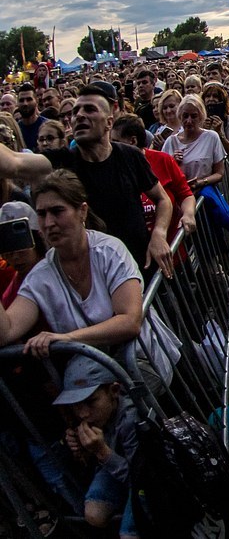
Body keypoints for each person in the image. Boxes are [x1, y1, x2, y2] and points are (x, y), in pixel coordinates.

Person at [0, 170, 180, 388]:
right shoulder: (41, 275)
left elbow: (130, 321)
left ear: (82, 211)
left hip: (144, 363)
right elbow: (7, 331)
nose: (48, 223)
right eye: (41, 214)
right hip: (94, 377)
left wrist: (67, 339)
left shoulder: (109, 251)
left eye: (57, 211)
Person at [0, 82, 175, 277]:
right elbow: (13, 163)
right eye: (76, 112)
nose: (79, 115)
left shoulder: (130, 156)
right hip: (92, 278)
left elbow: (162, 199)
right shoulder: (62, 161)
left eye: (90, 109)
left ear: (109, 122)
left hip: (141, 268)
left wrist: (159, 234)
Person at [53, 355, 139, 537]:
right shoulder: (95, 418)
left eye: (91, 402)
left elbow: (142, 477)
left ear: (114, 391)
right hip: (120, 469)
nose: (83, 413)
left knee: (129, 535)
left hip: (146, 480)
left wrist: (102, 452)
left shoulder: (131, 419)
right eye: (76, 405)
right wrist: (81, 448)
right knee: (94, 513)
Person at [112, 114, 196, 241]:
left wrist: (188, 214)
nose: (111, 147)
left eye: (115, 142)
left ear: (133, 141)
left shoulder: (163, 160)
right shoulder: (112, 167)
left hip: (172, 246)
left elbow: (185, 194)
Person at [162, 95, 226, 192]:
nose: (189, 121)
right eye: (185, 116)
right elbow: (162, 175)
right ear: (180, 116)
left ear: (201, 117)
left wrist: (201, 182)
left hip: (204, 193)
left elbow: (219, 173)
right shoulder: (171, 142)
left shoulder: (211, 137)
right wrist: (171, 162)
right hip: (178, 195)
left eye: (194, 116)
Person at [16, 83, 48, 151]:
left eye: (29, 99)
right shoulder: (15, 130)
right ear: (17, 103)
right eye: (21, 100)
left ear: (36, 100)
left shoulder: (47, 126)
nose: (25, 103)